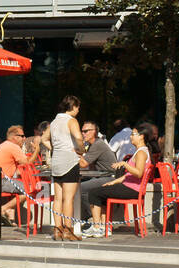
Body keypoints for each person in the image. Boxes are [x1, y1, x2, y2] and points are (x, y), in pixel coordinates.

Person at [82, 122, 154, 237]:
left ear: (142, 136)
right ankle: (105, 227)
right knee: (103, 190)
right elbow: (128, 176)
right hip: (130, 186)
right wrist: (114, 182)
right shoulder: (139, 151)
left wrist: (125, 165)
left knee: (93, 193)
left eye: (133, 134)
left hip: (133, 189)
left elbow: (139, 173)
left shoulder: (141, 153)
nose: (131, 137)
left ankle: (97, 227)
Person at [49, 96, 85, 241]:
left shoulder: (54, 122)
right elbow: (79, 138)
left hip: (56, 160)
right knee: (68, 199)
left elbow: (44, 139)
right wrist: (81, 150)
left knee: (57, 198)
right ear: (74, 106)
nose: (78, 110)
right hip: (69, 161)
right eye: (78, 107)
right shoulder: (72, 120)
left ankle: (57, 230)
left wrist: (55, 148)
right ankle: (68, 230)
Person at [0, 125, 32, 224]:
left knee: (19, 185)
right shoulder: (13, 147)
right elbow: (26, 163)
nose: (25, 138)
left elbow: (16, 169)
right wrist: (37, 151)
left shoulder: (4, 144)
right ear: (15, 137)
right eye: (22, 136)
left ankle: (10, 215)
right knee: (28, 189)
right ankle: (3, 209)